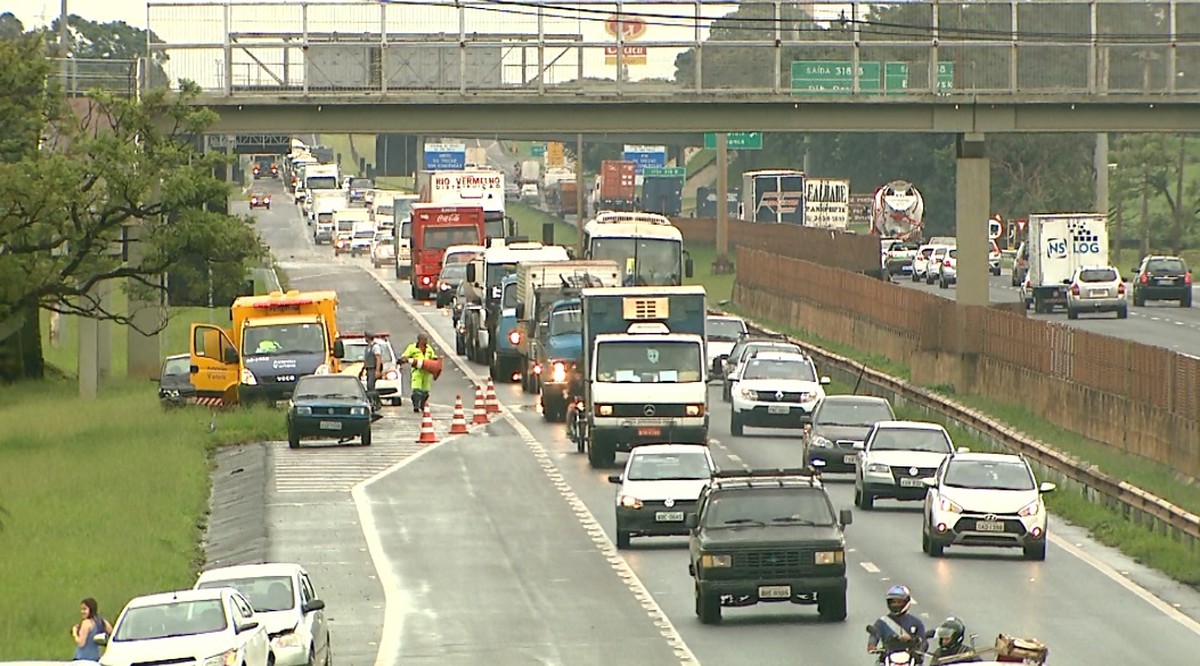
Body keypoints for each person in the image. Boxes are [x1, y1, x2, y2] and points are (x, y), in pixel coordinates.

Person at [868, 585, 928, 664]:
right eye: (893, 602)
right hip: (888, 657)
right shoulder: (882, 622)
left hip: (910, 658)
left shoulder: (916, 622)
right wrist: (872, 644)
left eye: (899, 602)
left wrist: (920, 649)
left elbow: (923, 640)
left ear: (906, 602)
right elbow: (875, 634)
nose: (896, 605)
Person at [402, 333, 438, 413]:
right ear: (419, 340)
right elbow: (405, 356)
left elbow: (434, 357)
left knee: (425, 391)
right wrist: (405, 360)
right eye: (424, 340)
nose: (426, 341)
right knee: (416, 390)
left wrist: (435, 364)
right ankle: (416, 405)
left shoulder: (429, 348)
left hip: (426, 372)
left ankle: (422, 404)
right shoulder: (412, 348)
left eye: (426, 340)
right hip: (417, 371)